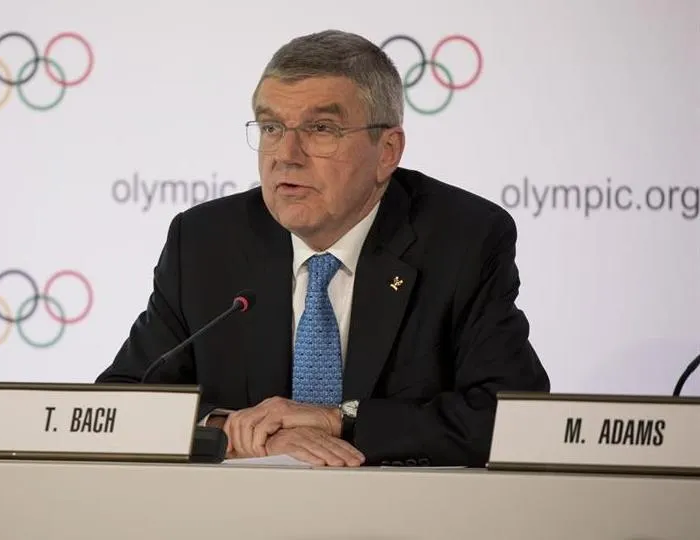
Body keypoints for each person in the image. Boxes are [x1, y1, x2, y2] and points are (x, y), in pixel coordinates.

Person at [96, 29, 550, 467]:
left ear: (387, 151)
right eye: (272, 127)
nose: (286, 155)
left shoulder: (462, 239)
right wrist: (230, 428)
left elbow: (512, 416)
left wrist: (339, 420)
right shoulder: (204, 241)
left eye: (320, 128)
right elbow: (121, 403)